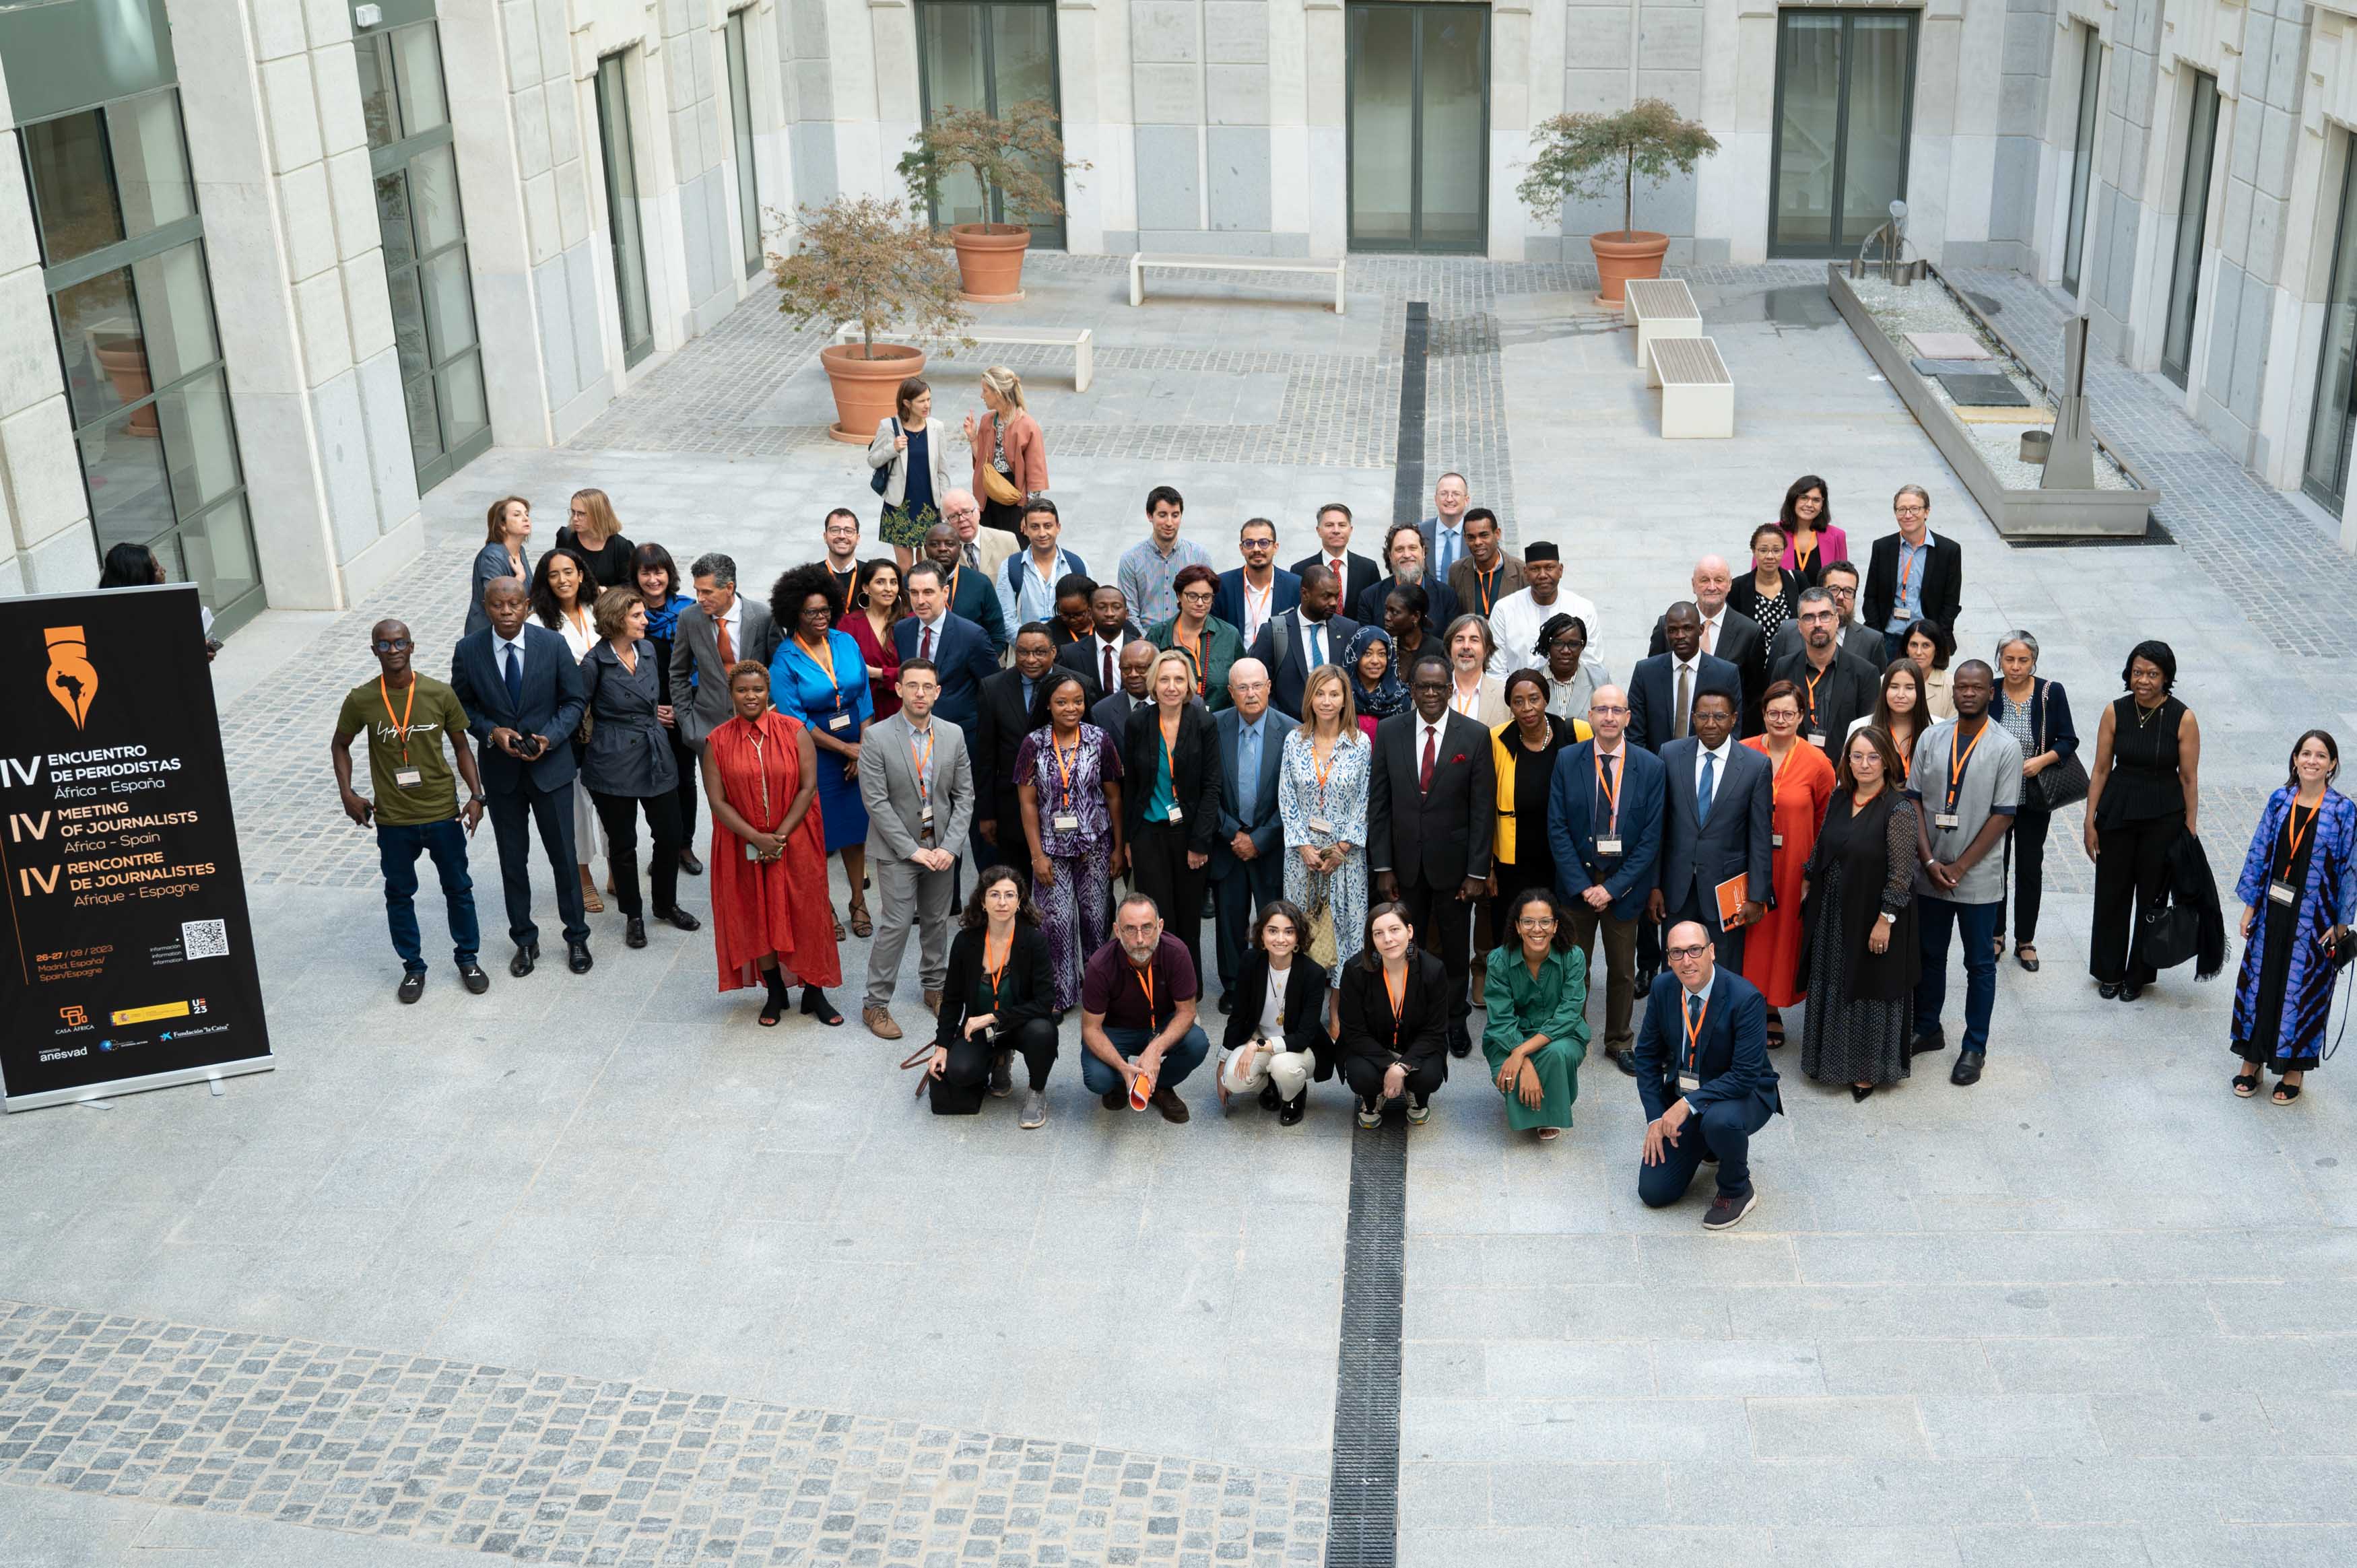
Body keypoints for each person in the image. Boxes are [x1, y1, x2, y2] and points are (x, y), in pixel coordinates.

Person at [333, 617, 488, 1000]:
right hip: (394, 819)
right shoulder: (362, 699)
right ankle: (413, 968)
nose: (394, 650)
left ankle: (468, 959)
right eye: (385, 645)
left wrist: (476, 795)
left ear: (412, 646)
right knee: (399, 894)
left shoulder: (439, 693)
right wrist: (347, 794)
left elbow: (462, 747)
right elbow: (340, 744)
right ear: (374, 651)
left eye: (400, 643)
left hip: (442, 812)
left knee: (459, 888)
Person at [449, 576, 591, 977]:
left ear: (527, 606)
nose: (507, 612)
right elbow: (461, 706)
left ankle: (576, 937)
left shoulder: (553, 644)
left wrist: (550, 737)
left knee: (565, 858)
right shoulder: (468, 650)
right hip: (502, 775)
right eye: (498, 605)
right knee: (513, 861)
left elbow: (574, 700)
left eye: (514, 605)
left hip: (551, 770)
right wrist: (491, 732)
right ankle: (525, 941)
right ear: (486, 607)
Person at [700, 662, 842, 1025]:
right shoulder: (717, 741)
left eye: (758, 690)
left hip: (797, 838)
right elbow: (717, 801)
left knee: (806, 911)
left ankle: (815, 991)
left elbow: (808, 787)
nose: (751, 696)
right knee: (756, 913)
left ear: (768, 692)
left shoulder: (795, 731)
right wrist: (756, 838)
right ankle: (775, 991)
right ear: (731, 694)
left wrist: (778, 837)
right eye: (742, 690)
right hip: (742, 843)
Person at [1369, 652, 1495, 1058]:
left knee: (1455, 951)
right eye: (1422, 686)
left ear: (1450, 689)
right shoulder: (1390, 732)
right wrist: (1383, 866)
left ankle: (1454, 1019)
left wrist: (1477, 871)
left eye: (1438, 687)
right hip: (1403, 867)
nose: (1430, 694)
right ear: (1411, 689)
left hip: (1455, 870)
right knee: (1407, 946)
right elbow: (1380, 804)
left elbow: (1482, 810)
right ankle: (1411, 1019)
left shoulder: (1474, 735)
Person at [1908, 661, 2020, 1086]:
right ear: (1953, 691)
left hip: (1977, 878)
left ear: (1991, 693)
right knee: (1929, 955)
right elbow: (1914, 800)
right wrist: (1929, 862)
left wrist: (1959, 866)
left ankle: (1975, 1047)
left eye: (1977, 687)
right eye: (1961, 687)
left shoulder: (2005, 747)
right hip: (1931, 872)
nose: (1968, 693)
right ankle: (1928, 1027)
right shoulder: (1932, 738)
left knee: (1979, 963)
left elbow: (2003, 815)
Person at [2232, 731, 2357, 1104]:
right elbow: (2259, 851)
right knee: (2260, 981)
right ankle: (2251, 1059)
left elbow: (2350, 868)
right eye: (2306, 753)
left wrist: (2341, 924)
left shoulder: (2343, 810)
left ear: (2332, 764)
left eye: (2321, 755)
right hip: (2273, 910)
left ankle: (2294, 1070)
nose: (2312, 761)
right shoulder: (2280, 800)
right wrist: (2250, 907)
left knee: (2306, 990)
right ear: (2295, 759)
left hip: (2316, 918)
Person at [1633, 921, 1782, 1229]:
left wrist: (1685, 1106)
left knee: (1719, 1121)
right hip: (1688, 1093)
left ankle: (1737, 1189)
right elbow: (1646, 1057)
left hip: (1743, 1094)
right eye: (1677, 953)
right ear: (1669, 958)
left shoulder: (1746, 998)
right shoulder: (1663, 988)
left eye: (1695, 950)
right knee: (1654, 1191)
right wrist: (1655, 1118)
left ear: (1711, 951)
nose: (1687, 961)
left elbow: (1744, 1075)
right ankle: (1710, 1144)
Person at [1799, 726, 1922, 1097]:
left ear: (1887, 762)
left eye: (1873, 757)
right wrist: (1808, 879)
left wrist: (1886, 920)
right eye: (1857, 756)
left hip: (1874, 913)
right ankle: (1829, 1061)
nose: (1864, 764)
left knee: (1869, 987)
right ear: (1848, 761)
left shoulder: (1898, 809)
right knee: (1834, 982)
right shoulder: (1840, 797)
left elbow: (1902, 874)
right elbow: (1822, 844)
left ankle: (1867, 1069)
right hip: (1833, 911)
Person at [1550, 685, 1663, 1075]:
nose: (1609, 717)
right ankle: (1572, 1035)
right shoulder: (1568, 760)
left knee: (1623, 971)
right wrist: (1583, 886)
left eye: (1617, 710)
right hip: (1577, 885)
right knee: (1573, 968)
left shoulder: (1651, 767)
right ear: (1591, 716)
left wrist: (1612, 889)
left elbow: (1650, 840)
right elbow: (1557, 828)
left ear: (1628, 717)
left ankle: (1619, 1040)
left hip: (1624, 886)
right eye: (1602, 709)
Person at [859, 658, 974, 1039]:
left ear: (937, 692)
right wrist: (912, 850)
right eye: (912, 686)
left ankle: (935, 988)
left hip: (941, 848)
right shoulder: (877, 737)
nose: (920, 693)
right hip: (898, 850)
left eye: (927, 687)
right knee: (895, 925)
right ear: (899, 690)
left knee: (937, 920)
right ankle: (875, 1003)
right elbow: (876, 803)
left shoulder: (953, 734)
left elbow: (964, 797)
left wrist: (951, 847)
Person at [2085, 640, 2201, 1001]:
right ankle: (2109, 971)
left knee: (2152, 899)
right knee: (2111, 893)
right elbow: (2101, 768)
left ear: (2166, 677)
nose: (2144, 680)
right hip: (2117, 811)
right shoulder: (2114, 711)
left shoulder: (2183, 718)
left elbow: (2188, 778)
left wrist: (2190, 829)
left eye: (2153, 674)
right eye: (2138, 673)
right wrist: (2089, 820)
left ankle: (2138, 975)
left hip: (2163, 817)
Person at [581, 586, 695, 948]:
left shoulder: (648, 650)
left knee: (671, 833)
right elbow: (578, 709)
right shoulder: (594, 663)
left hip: (655, 752)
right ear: (617, 620)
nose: (646, 620)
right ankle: (633, 914)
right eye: (637, 615)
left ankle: (665, 904)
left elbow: (652, 695)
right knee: (623, 843)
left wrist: (659, 712)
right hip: (612, 760)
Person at [768, 563, 875, 941]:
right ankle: (824, 905)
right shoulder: (785, 659)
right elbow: (794, 718)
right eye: (810, 612)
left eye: (825, 610)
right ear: (794, 614)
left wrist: (862, 749)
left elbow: (863, 696)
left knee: (855, 832)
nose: (820, 618)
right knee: (820, 834)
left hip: (856, 747)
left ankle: (858, 901)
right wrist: (846, 749)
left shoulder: (846, 642)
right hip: (814, 753)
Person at [1016, 669, 1125, 1012]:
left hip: (1095, 846)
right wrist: (1036, 855)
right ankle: (1059, 995)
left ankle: (1098, 991)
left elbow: (1114, 797)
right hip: (1050, 848)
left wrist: (1119, 847)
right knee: (1056, 923)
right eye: (1062, 702)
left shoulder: (1099, 739)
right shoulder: (1033, 744)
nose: (1071, 708)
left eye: (1078, 701)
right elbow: (1027, 803)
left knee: (1096, 921)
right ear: (1048, 705)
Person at [1737, 681, 1834, 1046]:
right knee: (1749, 934)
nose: (1781, 720)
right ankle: (1746, 1004)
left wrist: (1814, 870)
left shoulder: (1817, 762)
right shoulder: (1743, 751)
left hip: (1794, 865)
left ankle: (1771, 1006)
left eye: (1788, 713)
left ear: (1801, 716)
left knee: (1781, 936)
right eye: (1773, 712)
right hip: (1748, 861)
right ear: (1763, 714)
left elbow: (1826, 819)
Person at [925, 866, 1059, 1127]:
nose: (1002, 902)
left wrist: (992, 1017)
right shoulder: (965, 942)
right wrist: (941, 1047)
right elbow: (952, 1000)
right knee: (960, 1071)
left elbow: (1045, 1002)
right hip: (982, 1030)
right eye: (994, 895)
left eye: (1010, 895)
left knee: (1043, 1032)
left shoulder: (1034, 941)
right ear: (983, 902)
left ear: (1019, 902)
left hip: (1020, 1024)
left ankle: (1036, 1092)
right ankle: (999, 1059)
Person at [1652, 690, 1772, 974]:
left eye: (1719, 716)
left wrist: (1757, 895)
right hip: (1677, 888)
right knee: (1676, 967)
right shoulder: (1670, 755)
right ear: (1693, 718)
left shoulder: (1755, 766)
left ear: (1734, 719)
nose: (1710, 723)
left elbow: (1760, 836)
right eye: (1703, 716)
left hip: (1727, 893)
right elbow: (1658, 826)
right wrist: (1654, 885)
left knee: (1724, 970)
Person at [892, 562, 997, 880]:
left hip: (963, 744)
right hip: (917, 743)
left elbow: (992, 690)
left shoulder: (971, 635)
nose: (920, 600)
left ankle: (990, 891)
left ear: (945, 592)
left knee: (973, 821)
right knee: (933, 822)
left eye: (928, 592)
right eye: (914, 593)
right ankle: (946, 897)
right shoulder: (903, 631)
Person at [1280, 666, 1372, 1021]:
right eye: (1320, 693)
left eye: (1335, 694)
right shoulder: (1294, 740)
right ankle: (1302, 1010)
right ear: (1310, 698)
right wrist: (1304, 847)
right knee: (1301, 930)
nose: (1327, 701)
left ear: (1345, 699)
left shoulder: (1360, 743)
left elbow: (1365, 801)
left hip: (1344, 859)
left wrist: (1342, 849)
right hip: (1301, 858)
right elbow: (1286, 797)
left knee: (1346, 933)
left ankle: (1337, 1010)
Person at [1123, 650, 1220, 980]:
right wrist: (1128, 840)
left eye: (1179, 679)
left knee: (1188, 917)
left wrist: (1200, 842)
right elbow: (1131, 785)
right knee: (1156, 915)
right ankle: (1158, 984)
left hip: (1190, 834)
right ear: (1153, 683)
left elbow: (1212, 786)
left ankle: (1188, 987)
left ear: (1189, 684)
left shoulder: (1204, 722)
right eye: (1164, 679)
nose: (1171, 687)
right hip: (1148, 833)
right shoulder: (1138, 722)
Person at [1080, 893, 1211, 1122]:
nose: (1140, 939)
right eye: (1130, 929)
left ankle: (1160, 1086)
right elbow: (1091, 1029)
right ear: (1117, 931)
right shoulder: (1100, 965)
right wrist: (1122, 1067)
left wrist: (1155, 1050)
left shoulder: (1177, 952)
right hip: (1116, 1031)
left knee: (1197, 1043)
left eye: (1147, 928)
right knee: (1098, 1079)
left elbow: (1187, 1012)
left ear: (1160, 926)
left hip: (1160, 1025)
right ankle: (1123, 1080)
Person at [1992, 630, 2078, 973]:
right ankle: (1995, 932)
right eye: (2009, 659)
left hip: (2035, 795)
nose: (2015, 667)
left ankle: (2025, 939)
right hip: (1996, 796)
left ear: (2034, 661)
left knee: (2029, 866)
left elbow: (2068, 739)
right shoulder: (1990, 690)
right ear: (1999, 660)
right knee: (1995, 865)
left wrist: (2041, 761)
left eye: (2023, 660)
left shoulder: (2050, 692)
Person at [1211, 658, 1293, 1009]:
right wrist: (1234, 833)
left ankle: (1274, 983)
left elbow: (1293, 799)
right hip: (1227, 841)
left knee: (1274, 919)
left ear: (1269, 687)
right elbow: (1205, 790)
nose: (1251, 694)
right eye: (1242, 687)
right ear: (1231, 692)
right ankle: (1234, 986)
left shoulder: (1292, 732)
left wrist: (1259, 839)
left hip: (1271, 844)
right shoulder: (1213, 727)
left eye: (1257, 686)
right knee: (1230, 919)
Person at [531, 545, 609, 915]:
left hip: (609, 715)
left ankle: (617, 867)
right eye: (553, 574)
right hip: (570, 720)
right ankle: (583, 875)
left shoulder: (599, 608)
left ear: (581, 574)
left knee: (614, 795)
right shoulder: (538, 623)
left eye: (568, 572)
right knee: (577, 801)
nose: (562, 580)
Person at [1482, 888, 1589, 1142]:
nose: (1537, 929)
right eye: (1528, 922)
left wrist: (1521, 1053)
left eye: (1545, 922)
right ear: (1518, 927)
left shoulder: (1573, 957)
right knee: (1513, 1073)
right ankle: (1544, 1102)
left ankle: (1549, 1113)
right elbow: (1501, 1019)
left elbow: (1568, 1015)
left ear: (1555, 926)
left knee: (1556, 1054)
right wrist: (1524, 1060)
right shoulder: (1499, 960)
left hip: (1561, 1036)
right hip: (1509, 1038)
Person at [1217, 900, 1333, 1125]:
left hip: (1299, 1048)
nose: (1281, 939)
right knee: (1231, 1078)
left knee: (1283, 1067)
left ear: (1298, 937)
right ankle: (1267, 1085)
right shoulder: (1250, 961)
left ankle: (1294, 1095)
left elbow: (1303, 1037)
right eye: (1273, 931)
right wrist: (1222, 1063)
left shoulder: (1313, 974)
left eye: (1289, 932)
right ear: (1261, 935)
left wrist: (1257, 1047)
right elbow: (1238, 1016)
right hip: (1260, 1039)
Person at [1487, 669, 1580, 944]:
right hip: (1512, 863)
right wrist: (1487, 866)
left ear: (1546, 699)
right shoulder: (1496, 740)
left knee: (1559, 937)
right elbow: (1484, 806)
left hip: (1562, 860)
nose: (1527, 708)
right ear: (1510, 706)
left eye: (1534, 699)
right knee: (1510, 936)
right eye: (1518, 701)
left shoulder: (1574, 733)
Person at [1338, 902, 1450, 1127]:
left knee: (1429, 1076)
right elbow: (1353, 1031)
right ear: (1372, 939)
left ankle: (1417, 1096)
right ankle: (1371, 1099)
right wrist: (1390, 1065)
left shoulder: (1433, 969)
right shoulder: (1355, 970)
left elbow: (1435, 1030)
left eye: (1394, 930)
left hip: (1414, 1045)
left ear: (1409, 931)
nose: (1387, 939)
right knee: (1361, 1076)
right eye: (1378, 933)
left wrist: (1403, 1066)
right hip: (1372, 1046)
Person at [632, 543, 702, 876]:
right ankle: (664, 845)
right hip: (643, 711)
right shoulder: (629, 613)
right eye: (645, 572)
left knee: (685, 780)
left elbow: (702, 662)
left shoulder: (689, 610)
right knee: (653, 783)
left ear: (669, 573)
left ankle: (684, 844)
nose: (653, 579)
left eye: (658, 571)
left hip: (682, 709)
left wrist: (683, 708)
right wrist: (650, 709)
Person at [976, 623, 1063, 875]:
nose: (1031, 659)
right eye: (1023, 652)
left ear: (1053, 652)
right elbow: (985, 757)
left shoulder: (1075, 684)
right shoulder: (992, 688)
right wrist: (986, 813)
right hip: (1011, 807)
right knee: (1017, 882)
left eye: (1039, 652)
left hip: (1064, 807)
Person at [675, 552, 781, 750]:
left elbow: (780, 670)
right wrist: (688, 723)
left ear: (729, 588)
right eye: (697, 591)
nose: (700, 598)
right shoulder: (689, 619)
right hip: (708, 730)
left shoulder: (764, 617)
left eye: (707, 592)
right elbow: (679, 673)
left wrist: (771, 712)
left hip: (758, 727)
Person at [1647, 557, 1765, 729]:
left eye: (1719, 580)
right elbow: (1652, 681)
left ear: (1730, 584)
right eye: (1704, 580)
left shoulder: (1750, 632)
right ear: (1693, 584)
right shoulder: (1667, 625)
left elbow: (1753, 698)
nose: (1712, 587)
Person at [1768, 587, 1880, 752]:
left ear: (1837, 620)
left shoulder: (1865, 673)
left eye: (1825, 616)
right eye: (1809, 618)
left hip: (1843, 765)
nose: (1818, 624)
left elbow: (1870, 736)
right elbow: (1771, 725)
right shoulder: (1784, 668)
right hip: (1795, 763)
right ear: (1799, 626)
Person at [1865, 485, 1962, 664]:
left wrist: (1937, 636)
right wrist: (1877, 634)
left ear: (1927, 512)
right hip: (1889, 638)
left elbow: (1951, 603)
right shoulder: (1882, 547)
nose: (1908, 515)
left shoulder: (1948, 551)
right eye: (1902, 509)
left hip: (1926, 641)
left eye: (1914, 509)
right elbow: (1871, 596)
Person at [1628, 601, 1744, 752]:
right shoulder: (1645, 672)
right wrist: (1652, 765)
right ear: (1665, 633)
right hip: (1655, 763)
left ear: (1701, 630)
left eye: (1687, 628)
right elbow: (1635, 734)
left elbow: (1732, 730)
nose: (1680, 636)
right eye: (1673, 630)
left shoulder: (1725, 674)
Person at [1249, 562, 1358, 718]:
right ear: (1305, 594)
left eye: (1336, 596)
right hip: (1288, 726)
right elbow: (1259, 686)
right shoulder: (1273, 632)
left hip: (1335, 726)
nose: (1334, 603)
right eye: (1326, 596)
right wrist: (1284, 723)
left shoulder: (1349, 630)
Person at [869, 377, 956, 568]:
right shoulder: (888, 427)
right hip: (900, 506)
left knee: (927, 564)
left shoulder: (936, 427)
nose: (927, 405)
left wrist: (946, 503)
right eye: (921, 401)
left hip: (929, 506)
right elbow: (873, 460)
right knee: (905, 566)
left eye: (929, 399)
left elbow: (942, 470)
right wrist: (892, 448)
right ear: (907, 403)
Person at [1486, 543, 1603, 683]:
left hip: (1572, 693)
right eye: (1535, 569)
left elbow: (1592, 667)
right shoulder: (1504, 609)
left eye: (1549, 568)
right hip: (1517, 693)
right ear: (1526, 573)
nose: (1542, 575)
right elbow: (1496, 672)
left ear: (1560, 570)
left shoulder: (1583, 609)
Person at [964, 365, 1048, 536]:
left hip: (1015, 501)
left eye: (985, 391)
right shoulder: (987, 421)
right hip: (988, 496)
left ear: (998, 393)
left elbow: (1035, 477)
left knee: (1015, 547)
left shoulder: (1027, 426)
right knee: (989, 546)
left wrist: (1029, 514)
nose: (982, 396)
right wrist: (973, 437)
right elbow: (982, 463)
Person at [1150, 563, 1246, 711]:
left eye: (1206, 597)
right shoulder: (1159, 634)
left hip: (1219, 719)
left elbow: (1242, 682)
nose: (1200, 603)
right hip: (1170, 716)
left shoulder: (1229, 635)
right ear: (1179, 596)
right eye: (1193, 596)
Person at [1119, 484, 1214, 628]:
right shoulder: (1131, 560)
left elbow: (1208, 604)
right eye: (1163, 515)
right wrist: (1146, 640)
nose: (1169, 523)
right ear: (1150, 516)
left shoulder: (1199, 556)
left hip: (1189, 636)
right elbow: (1130, 613)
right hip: (1145, 637)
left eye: (1175, 515)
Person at [1767, 560, 1882, 669]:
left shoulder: (1871, 641)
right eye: (1834, 589)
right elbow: (1773, 679)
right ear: (1819, 591)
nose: (1841, 597)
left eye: (1848, 591)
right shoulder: (1788, 632)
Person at [922, 518, 1010, 656]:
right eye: (934, 544)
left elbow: (997, 636)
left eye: (949, 544)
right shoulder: (910, 583)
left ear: (959, 548)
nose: (942, 548)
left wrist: (980, 664)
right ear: (925, 549)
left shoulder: (980, 583)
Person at [999, 496, 1088, 630]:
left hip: (1070, 643)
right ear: (1025, 529)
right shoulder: (1010, 567)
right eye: (1035, 527)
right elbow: (1006, 619)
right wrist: (1031, 641)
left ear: (1058, 528)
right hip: (1027, 643)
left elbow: (1090, 613)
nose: (1042, 533)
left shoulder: (1077, 565)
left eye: (1047, 526)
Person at [1356, 522, 1461, 632]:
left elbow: (1451, 640)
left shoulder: (1447, 596)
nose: (1406, 555)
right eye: (1399, 549)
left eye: (1413, 548)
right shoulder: (1370, 598)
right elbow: (1366, 641)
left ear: (1423, 552)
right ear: (1390, 556)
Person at [1214, 517, 1300, 649]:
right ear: (1241, 548)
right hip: (1235, 660)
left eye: (1264, 543)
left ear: (1275, 547)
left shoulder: (1295, 586)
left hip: (1279, 661)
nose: (1256, 549)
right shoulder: (1222, 585)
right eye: (1249, 543)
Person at [1846, 660, 1929, 790]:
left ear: (1920, 691)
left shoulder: (1936, 729)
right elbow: (1846, 779)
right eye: (1894, 687)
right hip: (1873, 801)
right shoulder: (1860, 727)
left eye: (1909, 688)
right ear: (1884, 690)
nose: (1900, 695)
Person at [1059, 580, 1149, 696]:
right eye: (1102, 607)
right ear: (1090, 613)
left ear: (1126, 614)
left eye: (1116, 607)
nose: (1109, 613)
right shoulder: (1070, 654)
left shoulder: (1146, 651)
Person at [1293, 500, 1383, 611]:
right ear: (1319, 531)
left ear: (1350, 530)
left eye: (1342, 525)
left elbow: (1376, 609)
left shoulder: (1368, 569)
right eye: (1329, 525)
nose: (1336, 531)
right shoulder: (1300, 570)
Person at [845, 557, 905, 721]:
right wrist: (893, 674)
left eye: (893, 582)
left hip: (904, 708)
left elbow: (918, 669)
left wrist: (876, 673)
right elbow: (846, 670)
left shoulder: (909, 622)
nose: (889, 589)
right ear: (866, 588)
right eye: (880, 582)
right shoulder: (849, 624)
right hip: (863, 710)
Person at [467, 497, 533, 640]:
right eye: (517, 515)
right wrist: (520, 578)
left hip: (512, 631)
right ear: (502, 525)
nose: (525, 518)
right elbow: (495, 599)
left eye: (526, 514)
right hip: (488, 635)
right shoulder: (491, 556)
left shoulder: (519, 551)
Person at [1448, 506, 1523, 620]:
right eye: (1471, 537)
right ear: (1465, 538)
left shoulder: (1521, 571)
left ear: (1497, 534)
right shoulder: (1456, 571)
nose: (1477, 542)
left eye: (1484, 535)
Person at [1729, 522, 1795, 646]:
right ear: (1754, 551)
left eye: (1776, 550)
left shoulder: (1797, 580)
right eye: (1763, 550)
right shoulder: (1737, 587)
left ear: (1784, 551)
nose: (1770, 556)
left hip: (1790, 657)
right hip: (1753, 657)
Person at [555, 487, 635, 588]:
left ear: (598, 515)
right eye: (573, 512)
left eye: (581, 514)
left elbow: (631, 586)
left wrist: (607, 591)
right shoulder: (566, 537)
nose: (575, 518)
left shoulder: (621, 547)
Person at [1776, 475, 1846, 588]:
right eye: (1804, 498)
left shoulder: (1837, 536)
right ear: (1793, 500)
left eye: (1816, 500)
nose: (1809, 505)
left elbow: (1843, 582)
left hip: (1823, 599)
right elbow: (1757, 578)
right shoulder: (1772, 534)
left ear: (1822, 504)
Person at [1536, 613, 1609, 723]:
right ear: (1548, 645)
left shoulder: (1599, 679)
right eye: (1558, 643)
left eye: (1573, 644)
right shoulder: (1532, 682)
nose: (1566, 651)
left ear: (1582, 646)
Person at [1443, 614, 1507, 726]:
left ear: (1487, 650)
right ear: (1450, 648)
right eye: (1459, 640)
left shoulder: (1504, 694)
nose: (1466, 646)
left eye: (1474, 640)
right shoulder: (1431, 692)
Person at [1347, 625, 1408, 738]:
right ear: (1355, 656)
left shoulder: (1401, 698)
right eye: (1367, 654)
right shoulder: (1341, 694)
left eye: (1382, 654)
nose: (1375, 661)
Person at [1094, 638, 1159, 739]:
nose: (1133, 674)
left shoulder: (1174, 704)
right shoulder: (1102, 712)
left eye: (1141, 668)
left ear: (1158, 668)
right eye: (1126, 669)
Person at [1418, 471, 1473, 580]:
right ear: (1435, 499)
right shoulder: (1419, 532)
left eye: (1456, 494)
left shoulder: (1477, 535)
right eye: (1443, 494)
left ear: (1466, 500)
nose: (1449, 499)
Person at [1904, 617, 1958, 720]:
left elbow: (1953, 726)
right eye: (1914, 645)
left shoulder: (1951, 685)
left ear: (1937, 650)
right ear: (1906, 649)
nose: (1918, 652)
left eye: (1926, 646)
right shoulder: (1887, 679)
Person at [1383, 584, 1436, 671]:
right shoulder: (1384, 649)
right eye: (1386, 610)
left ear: (1416, 616)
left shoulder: (1437, 650)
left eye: (1395, 612)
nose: (1387, 617)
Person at [820, 507, 862, 603]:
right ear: (825, 537)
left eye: (849, 531)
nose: (842, 536)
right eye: (835, 530)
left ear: (858, 538)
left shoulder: (871, 575)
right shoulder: (810, 577)